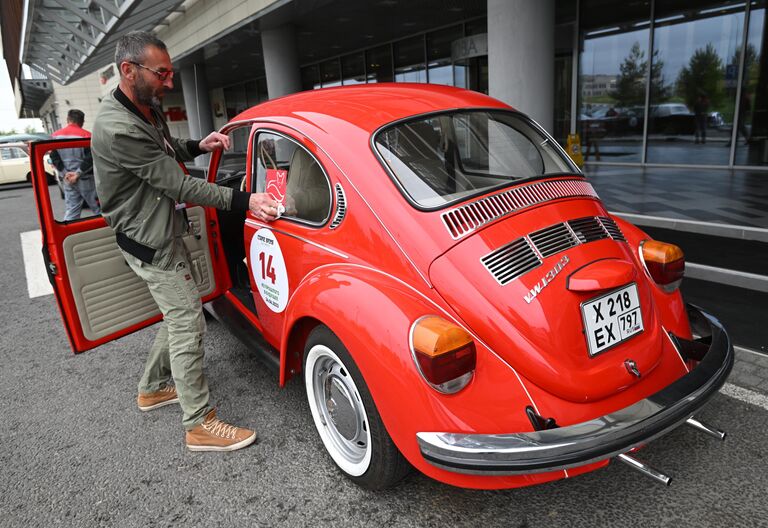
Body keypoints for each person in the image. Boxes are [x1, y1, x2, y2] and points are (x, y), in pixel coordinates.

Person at [91, 31, 280, 452]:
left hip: (154, 228)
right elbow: (179, 185)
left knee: (180, 311)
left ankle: (153, 387)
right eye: (162, 74)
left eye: (171, 73)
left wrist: (198, 144)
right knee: (187, 320)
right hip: (149, 238)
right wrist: (249, 200)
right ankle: (199, 424)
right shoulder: (117, 126)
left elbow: (166, 149)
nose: (170, 83)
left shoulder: (142, 107)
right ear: (128, 70)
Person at [50, 109, 101, 221]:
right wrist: (77, 174)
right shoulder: (87, 135)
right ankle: (108, 234)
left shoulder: (55, 136)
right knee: (99, 210)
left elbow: (54, 157)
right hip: (87, 180)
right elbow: (91, 158)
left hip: (67, 179)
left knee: (72, 210)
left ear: (68, 120)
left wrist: (66, 174)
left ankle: (69, 236)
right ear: (82, 121)